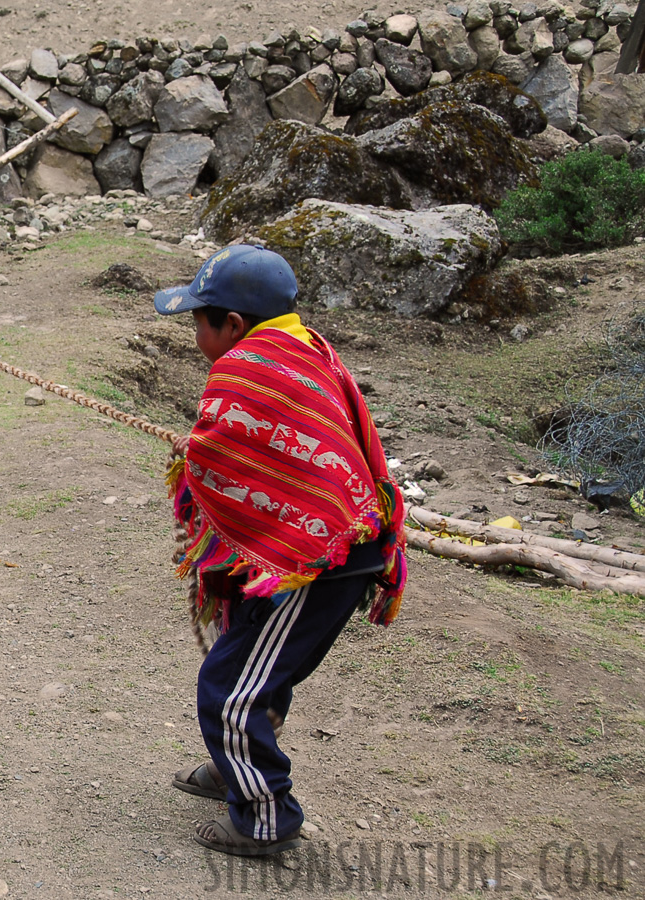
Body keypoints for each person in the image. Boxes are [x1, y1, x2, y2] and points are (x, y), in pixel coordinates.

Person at [153, 244, 407, 857]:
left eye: (198, 320)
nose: (195, 333)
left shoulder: (246, 369)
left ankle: (265, 817)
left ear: (232, 325)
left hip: (320, 560)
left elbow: (219, 455)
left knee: (230, 688)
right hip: (330, 545)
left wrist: (195, 458)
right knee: (255, 669)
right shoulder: (303, 348)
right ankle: (233, 767)